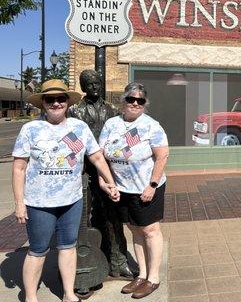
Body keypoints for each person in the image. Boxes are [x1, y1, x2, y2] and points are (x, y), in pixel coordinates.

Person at [12, 79, 119, 302]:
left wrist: (110, 182)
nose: (56, 103)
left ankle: (69, 293)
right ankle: (31, 297)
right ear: (43, 102)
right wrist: (20, 203)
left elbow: (97, 156)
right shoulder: (30, 129)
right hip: (39, 203)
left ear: (67, 102)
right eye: (50, 99)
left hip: (71, 200)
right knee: (37, 251)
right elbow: (19, 168)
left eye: (61, 99)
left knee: (68, 247)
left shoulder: (78, 128)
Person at [99, 82, 169, 299]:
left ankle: (154, 278)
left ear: (145, 104)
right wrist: (106, 182)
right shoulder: (112, 124)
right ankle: (143, 273)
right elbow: (100, 156)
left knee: (150, 230)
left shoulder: (151, 126)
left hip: (145, 188)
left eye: (140, 100)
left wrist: (152, 185)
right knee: (134, 229)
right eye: (131, 99)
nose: (135, 103)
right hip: (121, 189)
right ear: (123, 101)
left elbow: (162, 155)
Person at [68, 69, 134, 279]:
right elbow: (70, 143)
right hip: (84, 172)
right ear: (82, 87)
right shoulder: (74, 112)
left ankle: (118, 262)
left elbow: (123, 137)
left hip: (108, 171)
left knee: (113, 217)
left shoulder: (113, 110)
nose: (94, 87)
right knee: (83, 218)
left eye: (97, 83)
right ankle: (86, 262)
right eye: (89, 83)